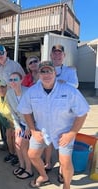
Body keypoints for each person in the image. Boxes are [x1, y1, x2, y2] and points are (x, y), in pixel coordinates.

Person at [17, 61, 89, 189]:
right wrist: (33, 130)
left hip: (64, 132)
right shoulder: (32, 92)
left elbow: (82, 112)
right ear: (38, 74)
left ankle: (66, 186)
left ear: (55, 73)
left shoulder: (69, 90)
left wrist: (71, 133)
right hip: (42, 131)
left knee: (65, 161)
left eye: (49, 70)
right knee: (32, 154)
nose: (46, 74)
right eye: (43, 71)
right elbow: (25, 111)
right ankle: (43, 176)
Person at [44, 44, 79, 176]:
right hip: (48, 110)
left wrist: (63, 82)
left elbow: (75, 84)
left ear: (63, 56)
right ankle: (47, 163)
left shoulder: (70, 70)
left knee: (61, 140)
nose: (57, 55)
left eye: (60, 53)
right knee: (48, 138)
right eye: (55, 53)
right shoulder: (46, 69)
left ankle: (61, 169)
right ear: (51, 56)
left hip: (64, 111)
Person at [0, 45, 25, 151]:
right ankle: (6, 144)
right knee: (3, 123)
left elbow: (23, 79)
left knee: (14, 123)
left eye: (1, 53)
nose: (0, 56)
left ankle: (18, 149)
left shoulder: (15, 65)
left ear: (6, 53)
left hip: (12, 97)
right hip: (0, 97)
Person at [6, 72, 33, 179]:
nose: (13, 82)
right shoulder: (9, 94)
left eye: (15, 79)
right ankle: (22, 166)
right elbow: (12, 112)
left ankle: (29, 170)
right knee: (17, 143)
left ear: (21, 80)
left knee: (23, 146)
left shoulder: (28, 92)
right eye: (11, 80)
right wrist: (17, 126)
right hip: (20, 123)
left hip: (31, 123)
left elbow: (33, 112)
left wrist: (28, 127)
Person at [0, 78, 18, 165]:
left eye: (2, 87)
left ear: (7, 87)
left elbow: (17, 111)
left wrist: (14, 125)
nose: (0, 89)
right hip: (7, 120)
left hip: (16, 120)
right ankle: (11, 154)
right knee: (8, 136)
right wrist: (8, 125)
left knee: (15, 137)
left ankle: (17, 155)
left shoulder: (12, 95)